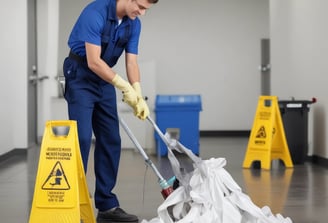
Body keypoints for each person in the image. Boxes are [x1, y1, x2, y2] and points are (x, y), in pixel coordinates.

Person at [63, 0, 158, 222]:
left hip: (104, 79)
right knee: (82, 139)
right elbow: (94, 61)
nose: (142, 13)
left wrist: (137, 92)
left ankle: (106, 206)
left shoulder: (134, 23)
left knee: (111, 138)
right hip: (81, 75)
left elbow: (131, 63)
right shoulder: (95, 13)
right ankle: (73, 202)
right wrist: (123, 86)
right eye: (141, 6)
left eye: (146, 9)